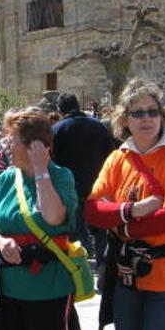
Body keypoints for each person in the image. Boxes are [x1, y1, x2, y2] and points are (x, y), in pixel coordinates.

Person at [85, 79, 165, 330]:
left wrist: (123, 227)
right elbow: (92, 211)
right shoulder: (117, 159)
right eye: (137, 112)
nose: (146, 118)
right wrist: (131, 210)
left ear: (162, 116)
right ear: (125, 120)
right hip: (127, 279)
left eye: (152, 111)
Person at [0, 108, 82, 330]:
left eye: (11, 140)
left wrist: (41, 170)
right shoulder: (4, 180)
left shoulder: (60, 177)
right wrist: (1, 242)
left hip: (49, 291)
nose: (4, 147)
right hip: (5, 292)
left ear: (33, 145)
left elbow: (54, 217)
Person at [51, 93, 115, 261]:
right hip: (96, 182)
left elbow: (53, 160)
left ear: (60, 109)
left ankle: (81, 263)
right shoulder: (98, 126)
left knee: (75, 228)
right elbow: (111, 154)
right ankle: (102, 262)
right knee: (99, 228)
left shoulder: (58, 129)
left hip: (70, 185)